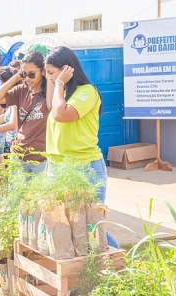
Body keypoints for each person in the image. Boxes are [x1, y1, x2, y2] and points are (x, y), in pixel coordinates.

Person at [44, 46, 119, 248]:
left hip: (85, 167)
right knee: (67, 224)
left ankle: (118, 264)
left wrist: (59, 81)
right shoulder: (63, 94)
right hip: (59, 166)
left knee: (90, 225)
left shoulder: (87, 92)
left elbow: (61, 114)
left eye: (51, 73)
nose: (49, 78)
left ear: (67, 69)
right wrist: (56, 80)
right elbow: (52, 107)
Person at [0, 51, 49, 174]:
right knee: (16, 192)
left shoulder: (49, 93)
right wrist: (16, 76)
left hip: (41, 159)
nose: (27, 78)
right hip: (18, 157)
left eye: (31, 74)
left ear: (43, 71)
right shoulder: (22, 90)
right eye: (24, 74)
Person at [0, 67, 19, 151]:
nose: (0, 87)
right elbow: (7, 115)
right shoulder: (13, 98)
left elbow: (13, 125)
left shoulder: (15, 99)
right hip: (12, 144)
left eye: (1, 84)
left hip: (18, 146)